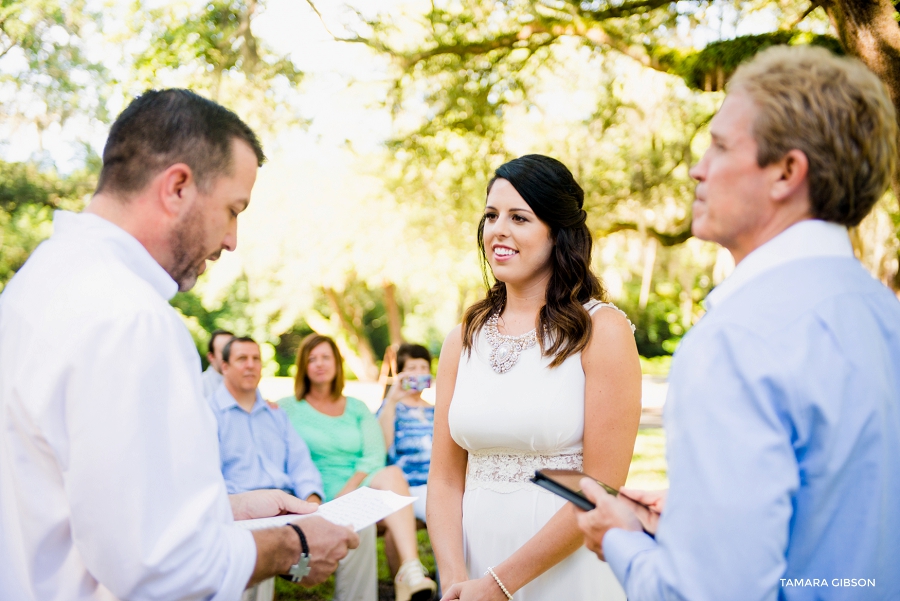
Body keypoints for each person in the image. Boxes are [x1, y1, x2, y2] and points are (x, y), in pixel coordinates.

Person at [0, 89, 358, 601]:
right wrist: (292, 544)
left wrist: (225, 510)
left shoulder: (36, 283)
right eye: (233, 210)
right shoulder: (132, 318)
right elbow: (161, 567)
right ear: (178, 188)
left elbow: (100, 504)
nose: (233, 240)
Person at [576, 45, 900, 601]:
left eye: (721, 146)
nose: (697, 168)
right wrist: (702, 521)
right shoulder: (884, 316)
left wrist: (624, 540)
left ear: (785, 172)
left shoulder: (736, 340)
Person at [429, 154, 643, 600]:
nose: (498, 230)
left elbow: (602, 485)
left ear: (556, 232)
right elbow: (446, 480)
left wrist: (499, 584)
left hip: (565, 569)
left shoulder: (601, 330)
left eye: (519, 217)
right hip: (472, 566)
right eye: (491, 216)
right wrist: (454, 578)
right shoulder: (460, 341)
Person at [280, 334, 438, 601]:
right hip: (316, 491)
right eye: (312, 358)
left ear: (337, 364)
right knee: (374, 504)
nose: (319, 364)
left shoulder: (356, 407)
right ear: (303, 366)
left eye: (326, 357)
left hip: (358, 485)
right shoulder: (286, 407)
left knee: (391, 473)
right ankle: (407, 573)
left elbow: (375, 453)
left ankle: (411, 570)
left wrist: (351, 487)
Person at [376, 343, 435, 524]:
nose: (418, 373)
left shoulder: (438, 410)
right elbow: (381, 447)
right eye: (412, 368)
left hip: (436, 486)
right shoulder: (391, 409)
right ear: (400, 374)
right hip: (407, 488)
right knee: (443, 514)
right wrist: (392, 399)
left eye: (423, 367)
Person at [203, 329, 234, 397]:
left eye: (233, 351)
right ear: (211, 357)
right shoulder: (200, 386)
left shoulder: (245, 382)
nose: (229, 356)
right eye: (224, 352)